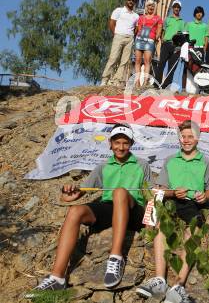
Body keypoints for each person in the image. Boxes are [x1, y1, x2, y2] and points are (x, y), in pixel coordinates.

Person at [25, 124, 151, 297]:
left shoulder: (142, 165)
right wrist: (68, 194)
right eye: (117, 142)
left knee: (120, 192)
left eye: (125, 143)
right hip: (110, 209)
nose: (121, 147)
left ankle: (116, 258)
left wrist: (152, 221)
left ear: (131, 144)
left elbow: (152, 196)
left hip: (134, 211)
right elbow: (78, 193)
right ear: (110, 143)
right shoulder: (102, 167)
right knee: (75, 211)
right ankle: (57, 277)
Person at [136, 120, 209, 303]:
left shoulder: (207, 162)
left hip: (193, 204)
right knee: (160, 224)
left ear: (197, 138)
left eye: (190, 137)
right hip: (172, 201)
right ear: (179, 139)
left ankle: (178, 286)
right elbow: (160, 190)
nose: (186, 140)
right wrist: (172, 192)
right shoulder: (170, 160)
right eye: (183, 137)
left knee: (195, 230)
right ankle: (159, 281)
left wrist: (205, 197)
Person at [101, 0, 139, 87]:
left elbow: (137, 28)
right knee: (113, 58)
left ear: (135, 2)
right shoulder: (119, 11)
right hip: (119, 36)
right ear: (126, 0)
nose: (131, 1)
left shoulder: (136, 16)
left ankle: (117, 80)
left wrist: (132, 36)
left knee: (124, 61)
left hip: (129, 38)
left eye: (133, 0)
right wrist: (116, 33)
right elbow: (111, 23)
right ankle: (105, 79)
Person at [134, 0, 163, 88]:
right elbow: (139, 28)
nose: (151, 7)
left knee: (147, 60)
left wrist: (156, 38)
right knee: (138, 60)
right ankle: (137, 81)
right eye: (149, 5)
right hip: (140, 39)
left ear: (154, 8)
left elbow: (159, 29)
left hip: (150, 40)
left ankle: (146, 81)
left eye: (152, 6)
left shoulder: (158, 18)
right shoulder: (141, 17)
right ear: (146, 7)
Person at [158, 0, 185, 89]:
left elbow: (183, 35)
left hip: (176, 46)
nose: (176, 8)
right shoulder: (167, 19)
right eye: (175, 7)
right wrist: (162, 40)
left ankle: (166, 85)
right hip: (166, 43)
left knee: (172, 67)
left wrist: (180, 46)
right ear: (172, 8)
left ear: (180, 9)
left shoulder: (182, 22)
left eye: (178, 7)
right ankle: (157, 83)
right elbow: (163, 31)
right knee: (161, 63)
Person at [183, 6, 208, 89]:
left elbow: (206, 38)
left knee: (199, 69)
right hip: (190, 48)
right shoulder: (189, 24)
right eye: (197, 12)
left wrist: (204, 49)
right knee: (187, 67)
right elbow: (185, 36)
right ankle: (184, 88)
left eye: (201, 12)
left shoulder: (205, 26)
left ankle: (199, 89)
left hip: (200, 49)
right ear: (195, 14)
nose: (199, 14)